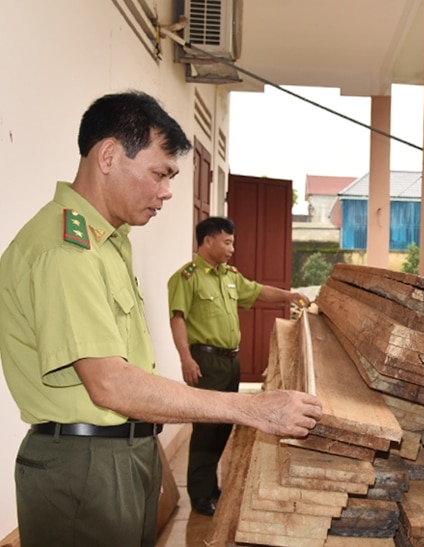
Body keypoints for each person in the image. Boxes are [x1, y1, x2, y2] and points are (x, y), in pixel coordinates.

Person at [0, 91, 322, 547]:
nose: (168, 191)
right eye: (159, 174)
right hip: (85, 466)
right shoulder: (65, 250)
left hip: (120, 451)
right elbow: (110, 384)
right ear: (109, 156)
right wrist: (251, 408)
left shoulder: (108, 243)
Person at [168, 216, 311, 516]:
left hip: (231, 361)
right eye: (227, 241)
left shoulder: (229, 276)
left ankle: (211, 484)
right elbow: (177, 318)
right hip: (205, 361)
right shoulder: (187, 277)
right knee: (206, 428)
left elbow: (258, 292)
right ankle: (198, 493)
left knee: (224, 426)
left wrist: (290, 295)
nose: (232, 248)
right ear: (208, 240)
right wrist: (185, 358)